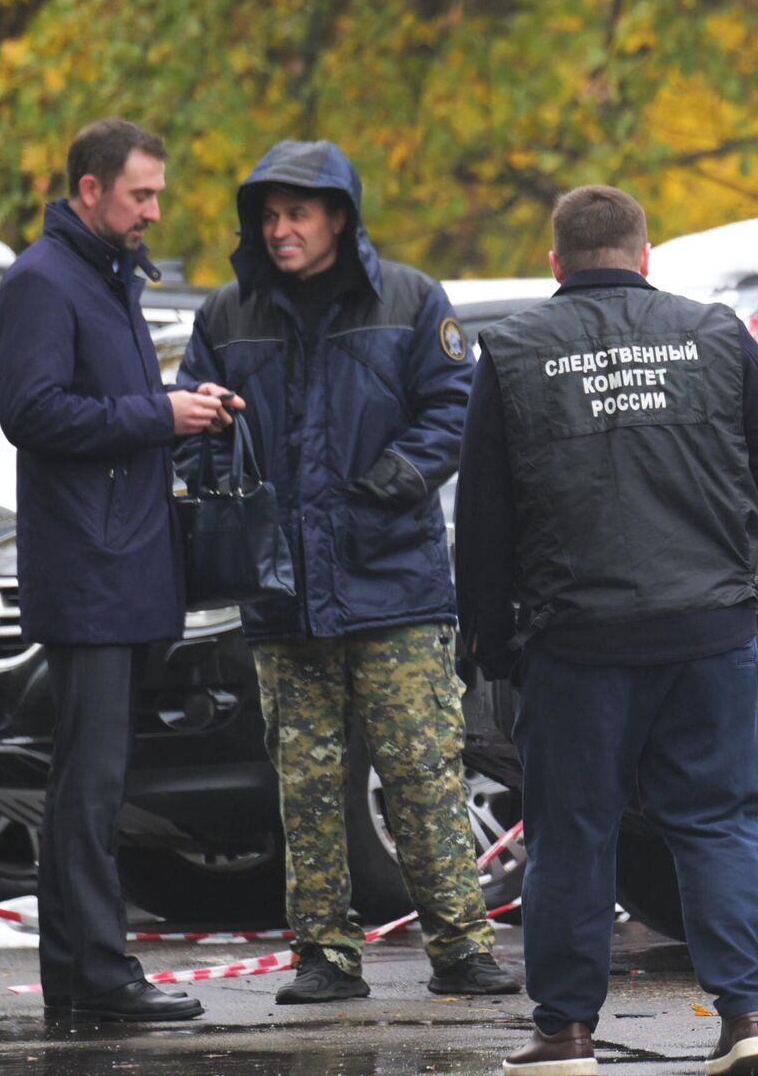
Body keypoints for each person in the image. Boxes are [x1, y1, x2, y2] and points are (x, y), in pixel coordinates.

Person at [456, 185, 758, 1076]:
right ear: (646, 257)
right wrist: (726, 541)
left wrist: (489, 644)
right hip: (708, 630)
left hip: (578, 640)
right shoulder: (717, 333)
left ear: (555, 264)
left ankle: (568, 1033)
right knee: (722, 822)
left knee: (574, 833)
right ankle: (747, 1018)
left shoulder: (515, 350)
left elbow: (486, 519)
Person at [178, 139, 518, 1004]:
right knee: (306, 781)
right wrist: (214, 461)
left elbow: (456, 406)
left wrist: (387, 487)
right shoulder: (226, 314)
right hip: (280, 591)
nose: (279, 228)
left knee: (420, 768)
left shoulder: (409, 299)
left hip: (393, 583)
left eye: (296, 212)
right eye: (267, 213)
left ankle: (462, 948)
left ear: (339, 216)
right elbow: (192, 433)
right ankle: (325, 955)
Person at [0, 117, 239, 1022]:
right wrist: (158, 415)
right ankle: (96, 978)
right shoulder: (41, 282)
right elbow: (36, 414)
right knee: (87, 789)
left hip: (127, 565)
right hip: (90, 572)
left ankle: (85, 979)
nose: (155, 211)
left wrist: (184, 413)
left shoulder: (105, 277)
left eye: (158, 194)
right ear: (89, 190)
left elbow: (115, 413)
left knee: (97, 787)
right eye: (141, 194)